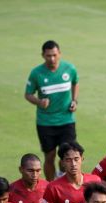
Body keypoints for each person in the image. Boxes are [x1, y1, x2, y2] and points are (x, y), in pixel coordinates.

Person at [24, 40, 79, 180]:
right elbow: (28, 94)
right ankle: (50, 186)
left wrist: (74, 100)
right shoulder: (37, 73)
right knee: (50, 156)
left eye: (54, 55)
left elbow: (75, 83)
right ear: (43, 55)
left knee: (67, 154)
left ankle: (64, 179)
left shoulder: (69, 69)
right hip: (46, 122)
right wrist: (39, 102)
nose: (52, 59)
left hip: (66, 120)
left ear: (59, 53)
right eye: (48, 55)